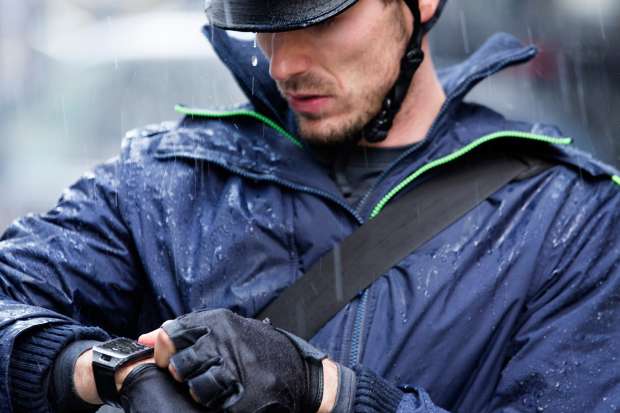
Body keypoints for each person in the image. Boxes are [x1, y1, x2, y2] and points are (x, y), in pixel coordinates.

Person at [1, 0, 620, 412]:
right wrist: (104, 370)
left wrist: (327, 392)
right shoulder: (162, 182)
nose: (284, 63)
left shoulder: (568, 218)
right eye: (264, 22)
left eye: (320, 20)